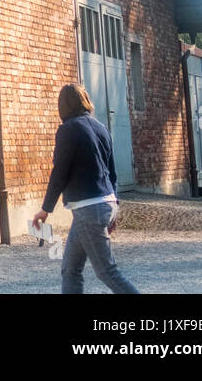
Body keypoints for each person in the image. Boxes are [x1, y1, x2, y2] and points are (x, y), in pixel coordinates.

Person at [31, 83, 139, 294]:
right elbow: (112, 172)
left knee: (108, 272)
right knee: (70, 269)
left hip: (89, 208)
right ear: (85, 101)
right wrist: (114, 206)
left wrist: (45, 209)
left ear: (62, 106)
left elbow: (59, 173)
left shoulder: (67, 130)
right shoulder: (100, 127)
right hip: (103, 203)